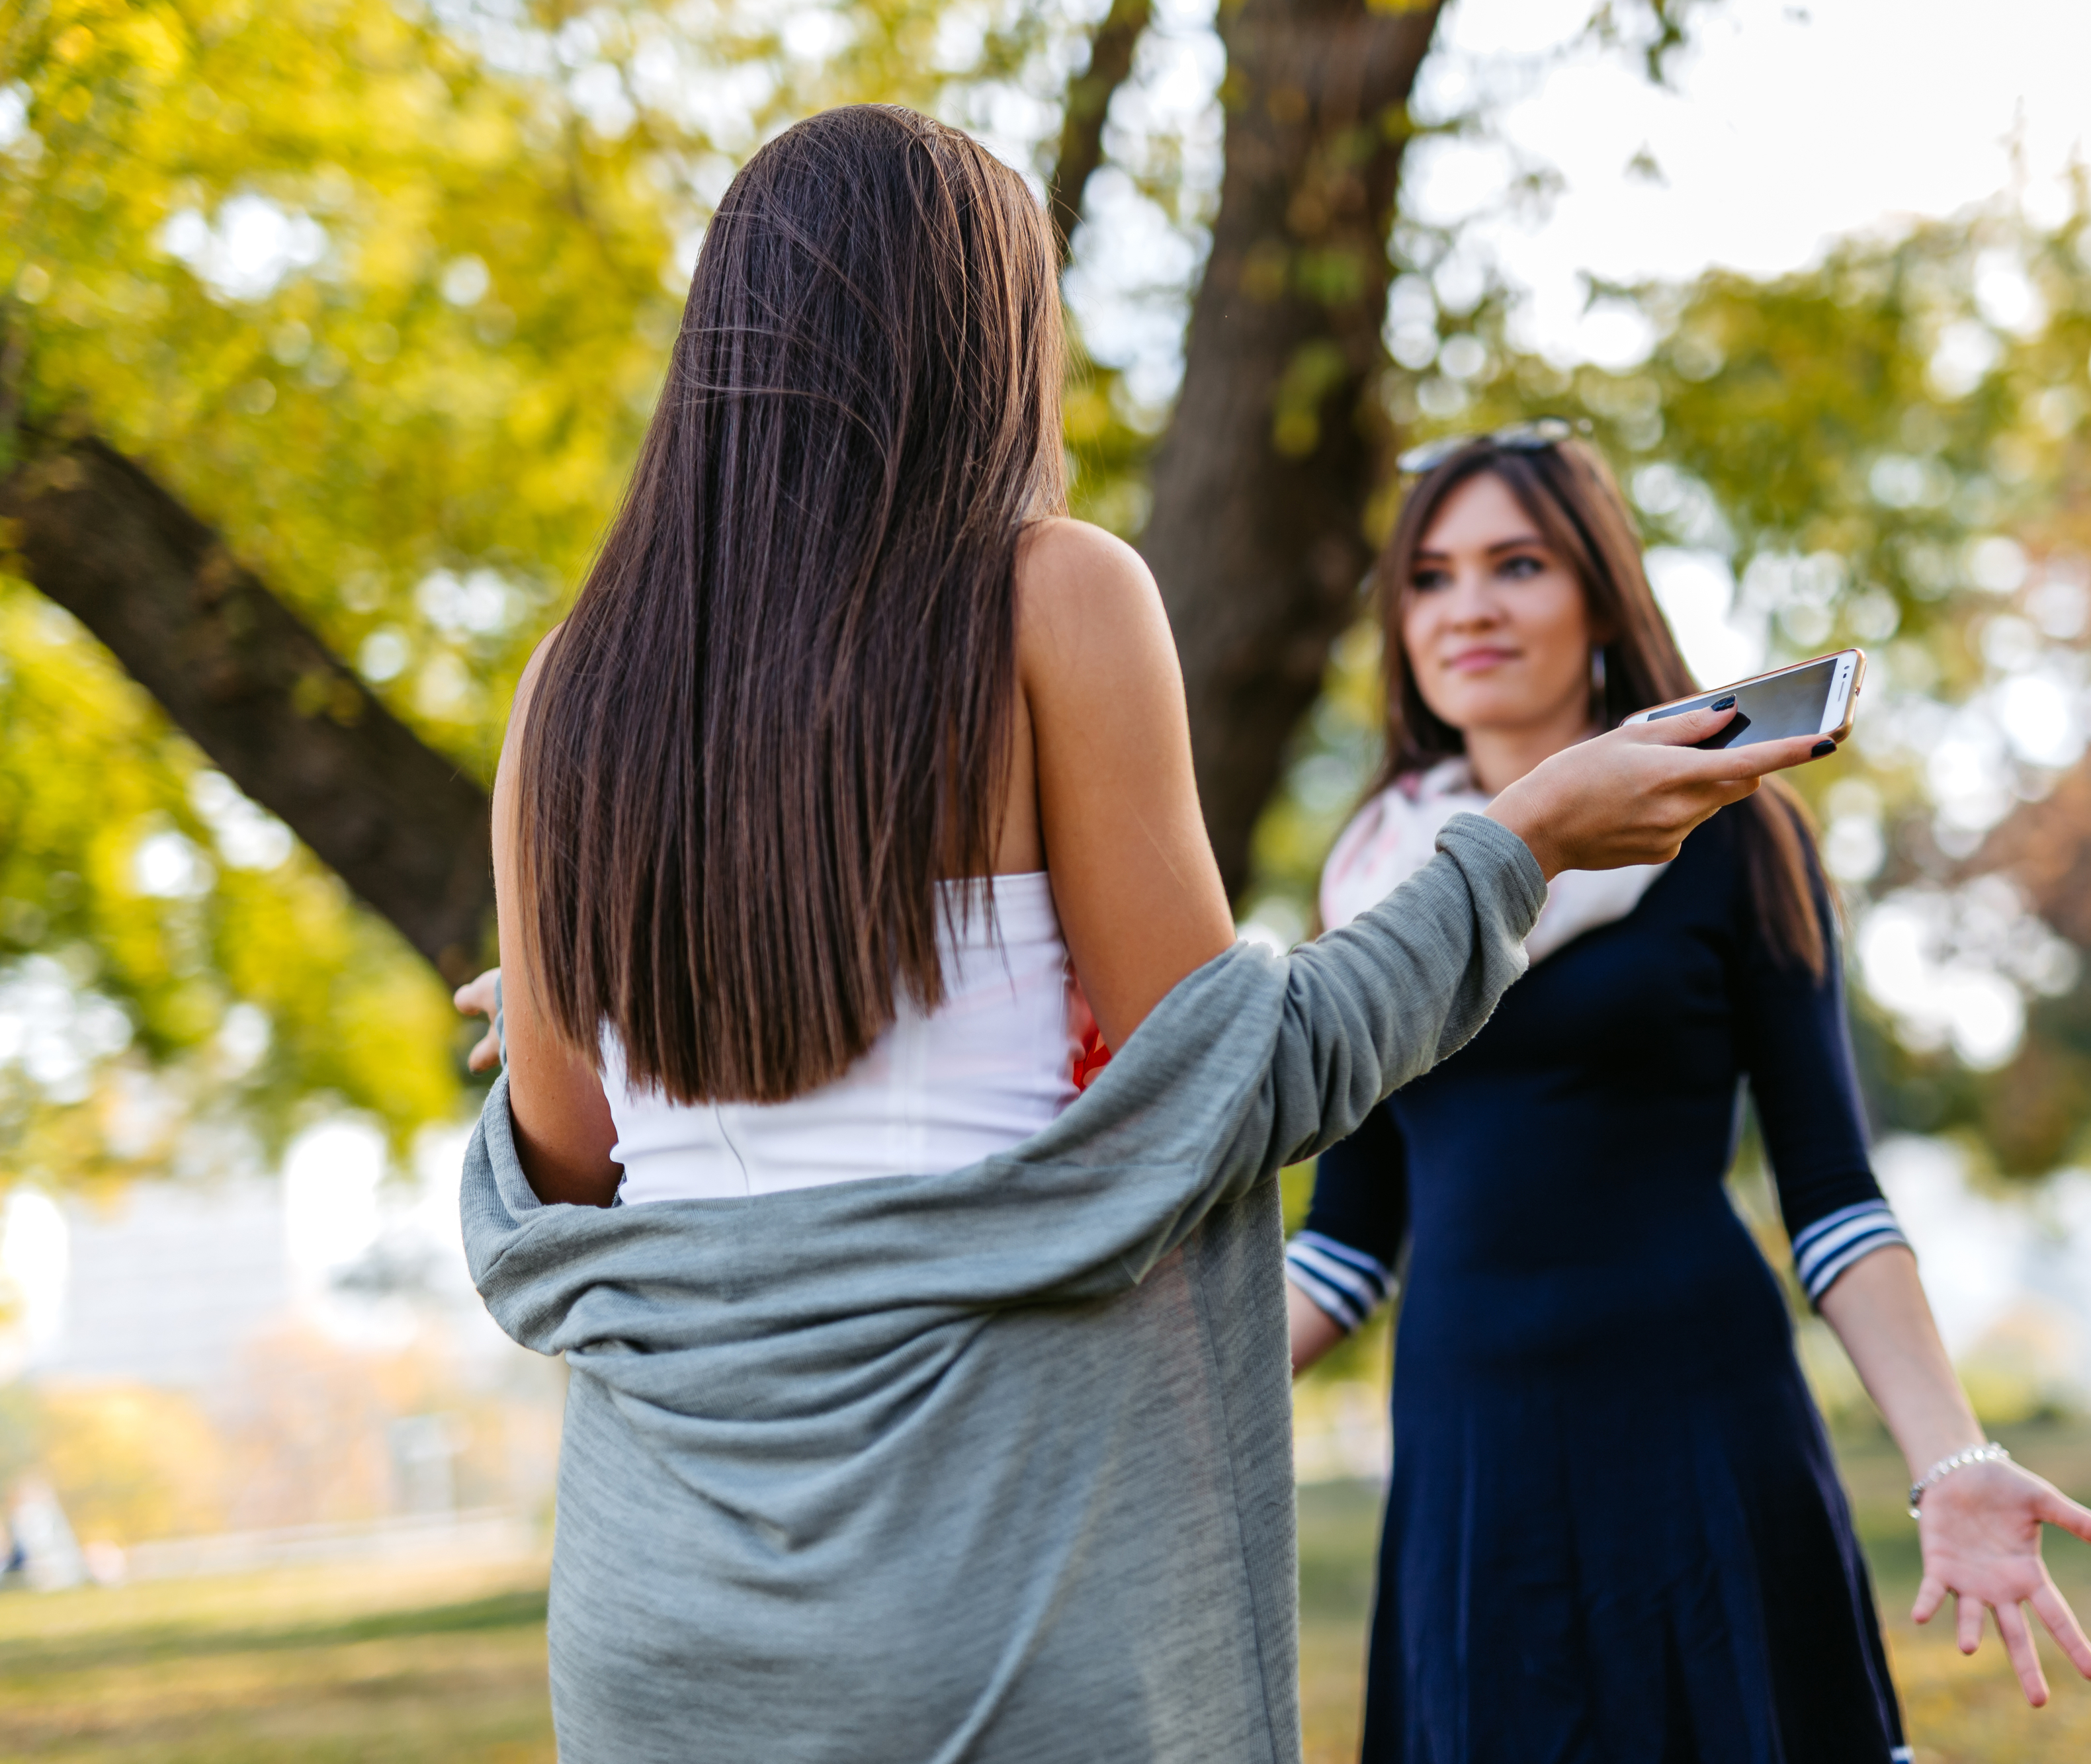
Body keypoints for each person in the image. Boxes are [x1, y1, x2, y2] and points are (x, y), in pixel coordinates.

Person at [451, 108, 1828, 1763]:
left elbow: (572, 1165)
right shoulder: (1048, 595)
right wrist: (1519, 844)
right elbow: (1242, 1082)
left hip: (649, 1606)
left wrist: (604, 999)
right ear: (987, 338)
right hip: (993, 1579)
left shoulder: (565, 686)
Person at [1286, 427, 2091, 1762]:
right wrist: (1112, 1396)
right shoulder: (1373, 878)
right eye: (1431, 577)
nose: (1470, 607)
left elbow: (1832, 1194)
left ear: (1601, 594)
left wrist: (1953, 1460)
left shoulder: (1729, 831)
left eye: (1518, 563)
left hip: (1695, 1428)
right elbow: (1340, 1244)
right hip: (1465, 1459)